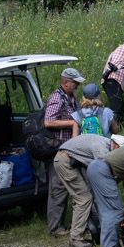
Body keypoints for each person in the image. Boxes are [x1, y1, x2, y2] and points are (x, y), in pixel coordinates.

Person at [54, 133, 124, 247]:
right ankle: (76, 239)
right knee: (84, 198)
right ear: (116, 146)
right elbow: (105, 176)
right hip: (65, 161)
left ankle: (94, 230)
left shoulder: (106, 145)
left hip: (73, 162)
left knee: (88, 195)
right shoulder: (101, 149)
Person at [43, 67, 84, 237]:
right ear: (66, 82)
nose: (77, 86)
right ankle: (55, 228)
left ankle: (61, 224)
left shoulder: (70, 98)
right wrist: (71, 123)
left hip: (70, 149)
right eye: (74, 83)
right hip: (59, 148)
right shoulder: (56, 98)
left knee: (66, 186)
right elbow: (48, 122)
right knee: (58, 189)